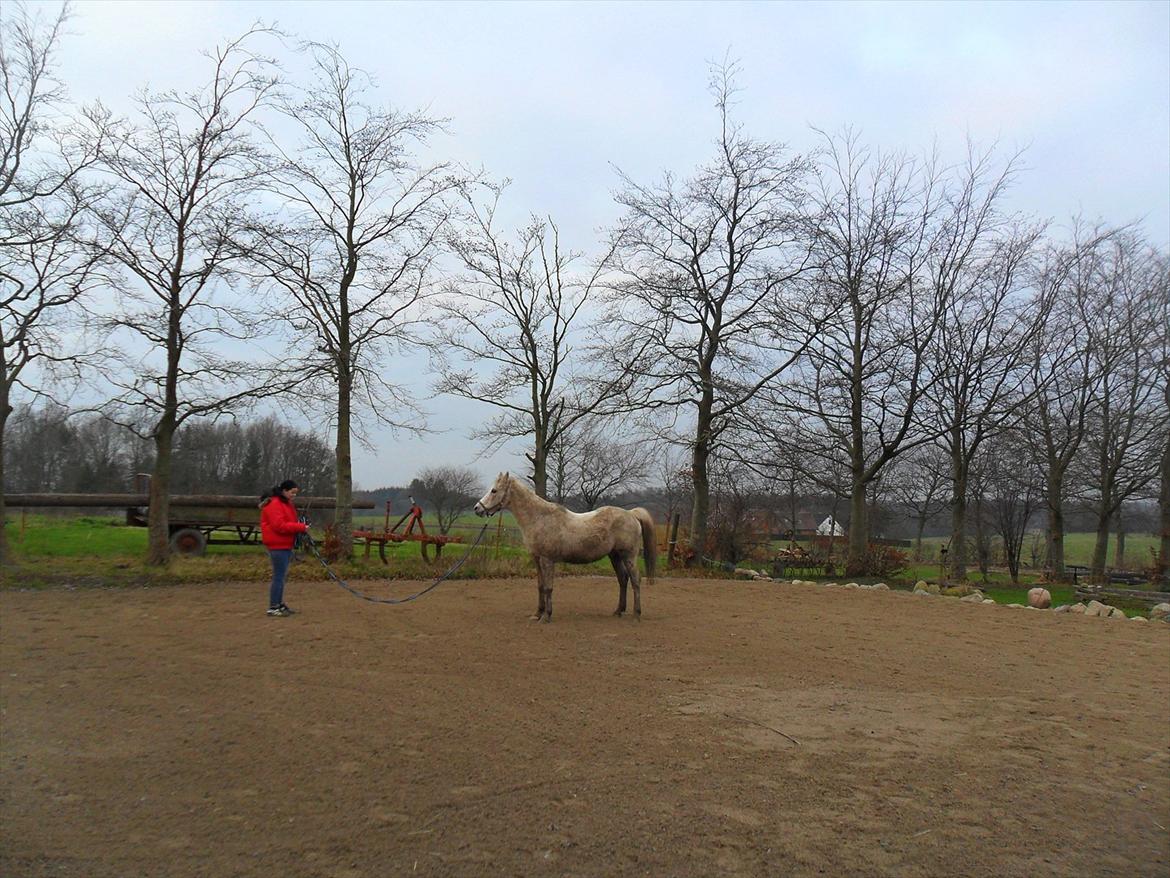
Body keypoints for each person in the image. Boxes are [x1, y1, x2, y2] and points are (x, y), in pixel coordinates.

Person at [259, 479, 309, 617]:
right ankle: (274, 606)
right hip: (277, 544)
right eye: (292, 492)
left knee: (281, 576)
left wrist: (300, 525)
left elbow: (288, 522)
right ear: (285, 491)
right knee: (279, 576)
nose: (294, 495)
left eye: (295, 493)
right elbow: (279, 526)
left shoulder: (285, 503)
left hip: (284, 544)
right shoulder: (275, 504)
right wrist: (301, 527)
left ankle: (278, 604)